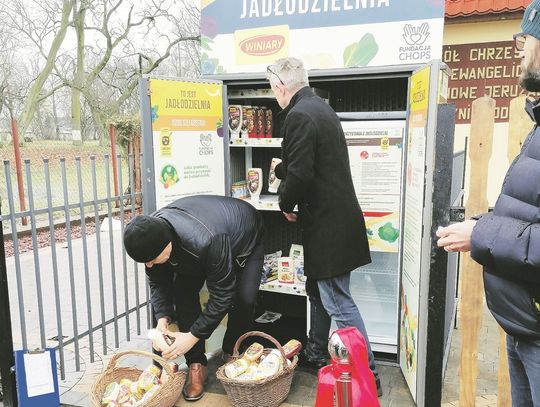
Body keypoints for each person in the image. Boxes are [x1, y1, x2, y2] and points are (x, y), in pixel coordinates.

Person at [437, 3, 540, 405]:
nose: (519, 49)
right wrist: (481, 223)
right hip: (526, 326)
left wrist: (481, 232)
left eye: (525, 38)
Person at [267, 57, 381, 395]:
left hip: (329, 228)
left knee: (339, 303)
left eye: (273, 90)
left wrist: (285, 202)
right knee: (319, 292)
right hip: (338, 221)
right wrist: (286, 170)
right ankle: (317, 351)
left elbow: (301, 174)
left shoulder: (299, 115)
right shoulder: (321, 109)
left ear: (281, 88)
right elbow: (313, 165)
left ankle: (367, 374)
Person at [123, 195, 264, 401]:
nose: (150, 266)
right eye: (145, 263)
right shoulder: (151, 235)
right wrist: (163, 317)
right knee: (183, 293)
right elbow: (159, 283)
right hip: (199, 241)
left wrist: (192, 336)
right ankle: (196, 365)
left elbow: (223, 295)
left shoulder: (209, 241)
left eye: (152, 260)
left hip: (245, 231)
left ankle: (231, 350)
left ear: (167, 245)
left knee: (244, 298)